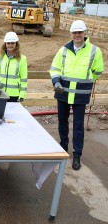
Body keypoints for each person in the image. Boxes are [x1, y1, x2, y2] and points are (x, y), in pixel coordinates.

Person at [50, 20, 104, 171]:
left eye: (80, 32)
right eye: (75, 32)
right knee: (62, 121)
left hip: (80, 95)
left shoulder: (94, 50)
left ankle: (77, 154)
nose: (77, 35)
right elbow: (54, 68)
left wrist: (87, 80)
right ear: (71, 34)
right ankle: (63, 146)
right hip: (63, 93)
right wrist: (56, 81)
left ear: (84, 33)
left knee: (78, 126)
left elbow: (98, 71)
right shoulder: (63, 50)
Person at [0, 31, 28, 102]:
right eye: (8, 43)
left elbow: (23, 79)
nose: (10, 45)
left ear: (16, 44)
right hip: (0, 93)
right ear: (5, 44)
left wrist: (22, 95)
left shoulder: (22, 59)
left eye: (12, 43)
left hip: (14, 95)